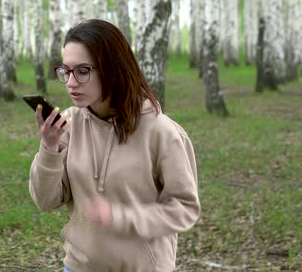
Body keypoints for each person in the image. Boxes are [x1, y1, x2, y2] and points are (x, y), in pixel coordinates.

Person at [28, 19, 200, 271]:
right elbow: (45, 200)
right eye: (66, 71)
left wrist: (121, 217)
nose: (71, 82)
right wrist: (49, 148)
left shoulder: (162, 133)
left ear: (112, 68)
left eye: (83, 71)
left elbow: (185, 209)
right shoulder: (69, 125)